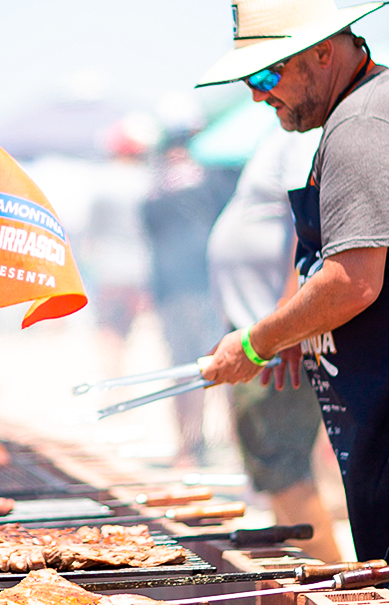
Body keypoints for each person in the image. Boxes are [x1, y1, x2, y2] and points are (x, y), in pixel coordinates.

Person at [197, 1, 389, 602]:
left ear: (323, 52)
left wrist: (256, 342)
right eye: (249, 80)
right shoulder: (359, 113)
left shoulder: (364, 125)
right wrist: (300, 333)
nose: (258, 96)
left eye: (267, 75)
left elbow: (351, 281)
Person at [207, 126, 341, 562]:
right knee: (277, 475)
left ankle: (337, 591)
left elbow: (309, 227)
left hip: (274, 338)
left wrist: (286, 322)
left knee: (285, 471)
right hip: (259, 330)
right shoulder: (283, 132)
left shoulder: (306, 132)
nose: (257, 90)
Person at [142, 127, 238, 465]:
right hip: (180, 289)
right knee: (189, 367)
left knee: (217, 364)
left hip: (204, 286)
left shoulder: (195, 183)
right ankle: (191, 445)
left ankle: (218, 443)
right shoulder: (163, 189)